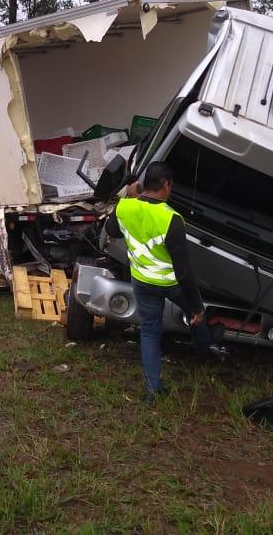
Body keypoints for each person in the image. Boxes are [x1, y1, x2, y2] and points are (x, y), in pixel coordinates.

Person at [105, 161, 214, 403]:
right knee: (197, 316)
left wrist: (128, 198)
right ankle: (204, 350)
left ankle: (152, 390)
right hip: (170, 284)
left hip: (142, 281)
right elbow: (184, 271)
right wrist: (196, 306)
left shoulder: (125, 207)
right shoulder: (172, 219)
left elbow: (112, 230)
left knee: (150, 332)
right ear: (166, 185)